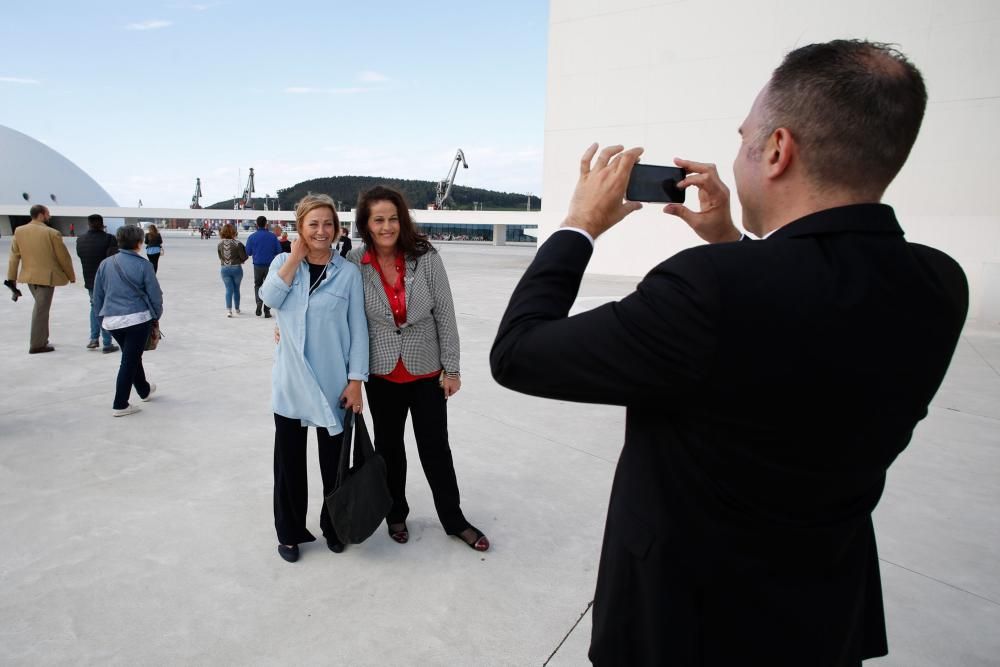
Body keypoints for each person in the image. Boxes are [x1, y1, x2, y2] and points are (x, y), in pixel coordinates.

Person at [490, 40, 968, 665]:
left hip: (687, 627)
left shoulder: (711, 288)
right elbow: (805, 313)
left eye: (746, 138)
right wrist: (738, 245)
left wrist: (578, 224)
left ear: (777, 150)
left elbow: (521, 353)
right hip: (823, 617)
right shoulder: (937, 282)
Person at [347, 185, 489, 552]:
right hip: (381, 373)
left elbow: (445, 312)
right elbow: (336, 311)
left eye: (393, 218)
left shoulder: (425, 256)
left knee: (435, 448)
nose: (387, 226)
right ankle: (396, 513)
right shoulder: (355, 262)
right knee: (389, 448)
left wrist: (452, 368)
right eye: (378, 219)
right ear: (366, 223)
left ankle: (453, 519)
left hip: (426, 371)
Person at [260, 194, 368, 563]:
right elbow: (269, 297)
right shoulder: (282, 263)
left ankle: (334, 526)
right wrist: (294, 257)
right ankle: (288, 533)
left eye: (327, 224)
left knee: (334, 465)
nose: (322, 231)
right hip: (290, 383)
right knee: (288, 465)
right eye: (313, 224)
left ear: (337, 229)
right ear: (301, 228)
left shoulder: (348, 273)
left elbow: (358, 331)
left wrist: (356, 380)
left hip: (332, 382)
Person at [92, 225, 163, 417]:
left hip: (112, 320)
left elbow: (97, 295)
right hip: (137, 319)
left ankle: (144, 390)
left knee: (132, 356)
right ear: (139, 243)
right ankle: (120, 403)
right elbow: (155, 294)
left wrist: (101, 319)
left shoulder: (106, 264)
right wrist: (156, 315)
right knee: (129, 360)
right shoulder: (144, 265)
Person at [6, 204, 76, 354]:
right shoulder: (52, 233)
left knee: (41, 309)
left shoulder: (19, 231)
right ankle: (37, 344)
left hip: (29, 277)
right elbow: (63, 257)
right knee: (41, 310)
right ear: (42, 214)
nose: (49, 216)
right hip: (47, 278)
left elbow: (13, 257)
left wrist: (11, 279)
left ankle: (42, 339)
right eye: (48, 213)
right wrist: (71, 275)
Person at [75, 213, 119, 353]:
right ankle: (107, 343)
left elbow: (80, 255)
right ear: (102, 223)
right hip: (106, 280)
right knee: (105, 309)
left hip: (90, 279)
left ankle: (94, 338)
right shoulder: (109, 239)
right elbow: (113, 260)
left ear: (88, 224)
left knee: (94, 307)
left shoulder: (81, 240)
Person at [245, 215, 282, 318]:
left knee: (257, 284)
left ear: (257, 224)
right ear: (266, 224)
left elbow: (248, 252)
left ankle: (258, 302)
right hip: (270, 265)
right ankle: (267, 310)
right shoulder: (272, 236)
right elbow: (278, 251)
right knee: (269, 286)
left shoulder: (252, 237)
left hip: (257, 265)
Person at [216, 223, 247, 317]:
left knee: (228, 289)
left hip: (224, 269)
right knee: (236, 289)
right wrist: (241, 260)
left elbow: (220, 257)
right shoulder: (238, 244)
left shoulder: (220, 244)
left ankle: (229, 310)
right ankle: (237, 309)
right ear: (233, 232)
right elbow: (244, 256)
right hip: (236, 268)